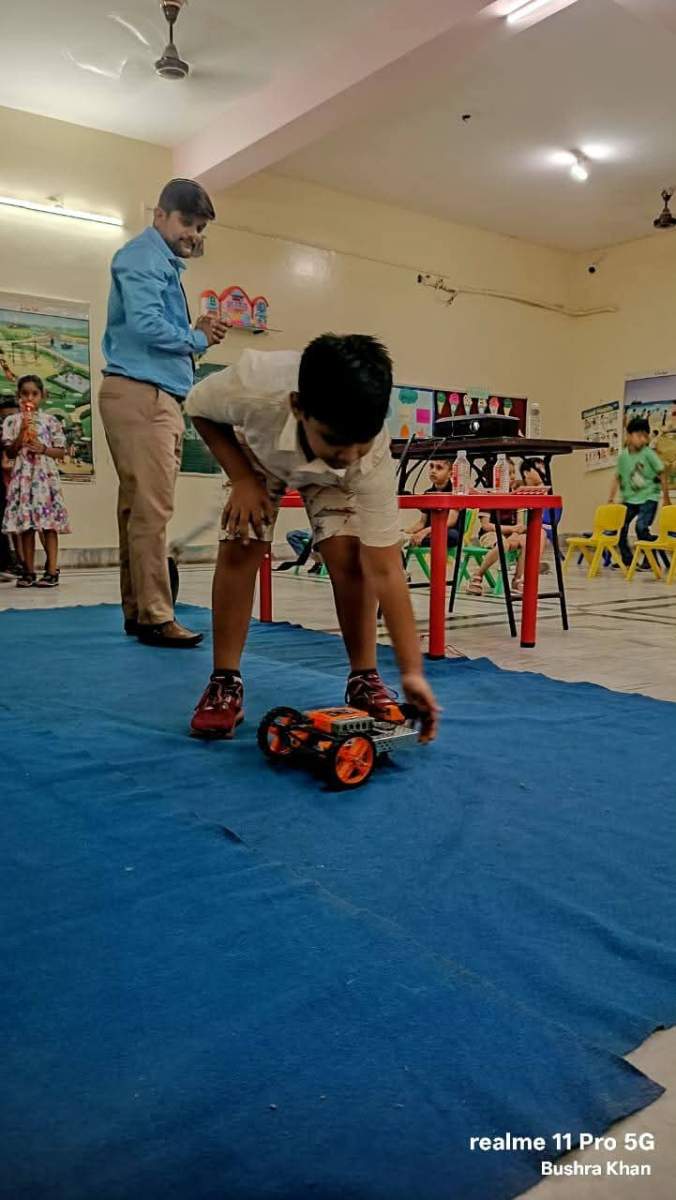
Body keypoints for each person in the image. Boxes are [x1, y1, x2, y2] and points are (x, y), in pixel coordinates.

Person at [184, 335, 439, 741]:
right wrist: (242, 479)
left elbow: (386, 570)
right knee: (242, 541)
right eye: (337, 442)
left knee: (351, 558)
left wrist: (412, 672)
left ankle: (364, 676)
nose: (349, 454)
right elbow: (197, 407)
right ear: (298, 407)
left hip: (333, 481)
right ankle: (225, 680)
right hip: (259, 453)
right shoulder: (255, 385)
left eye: (360, 444)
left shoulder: (366, 457)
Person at [99, 178, 229, 648]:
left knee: (137, 509)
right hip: (143, 395)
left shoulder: (158, 264)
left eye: (199, 228)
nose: (192, 234)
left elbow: (154, 328)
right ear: (160, 215)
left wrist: (196, 334)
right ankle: (156, 615)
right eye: (186, 223)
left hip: (146, 392)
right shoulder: (143, 258)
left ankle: (139, 611)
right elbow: (146, 324)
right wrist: (195, 338)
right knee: (152, 511)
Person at [1, 375, 70, 587]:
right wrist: (22, 431)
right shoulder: (11, 421)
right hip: (23, 477)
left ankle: (52, 571)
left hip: (44, 478)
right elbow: (10, 452)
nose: (29, 398)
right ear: (19, 396)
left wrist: (44, 449)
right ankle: (28, 571)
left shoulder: (50, 421)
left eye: (34, 394)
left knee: (49, 525)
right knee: (26, 526)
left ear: (42, 396)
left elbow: (61, 451)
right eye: (25, 394)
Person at [610, 416, 671, 568]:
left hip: (649, 497)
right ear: (629, 435)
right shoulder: (623, 456)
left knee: (641, 527)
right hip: (630, 499)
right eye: (639, 436)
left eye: (645, 436)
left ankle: (651, 559)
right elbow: (617, 477)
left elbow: (662, 472)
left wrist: (666, 498)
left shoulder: (648, 453)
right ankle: (628, 560)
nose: (643, 440)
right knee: (619, 526)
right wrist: (611, 498)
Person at [405, 458, 459, 549]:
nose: (433, 471)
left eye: (439, 468)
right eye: (431, 466)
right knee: (400, 536)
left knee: (452, 536)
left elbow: (450, 522)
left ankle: (416, 541)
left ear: (450, 473)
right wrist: (406, 532)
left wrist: (424, 532)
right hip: (429, 532)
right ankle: (414, 540)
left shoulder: (455, 492)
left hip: (446, 530)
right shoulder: (428, 493)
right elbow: (422, 523)